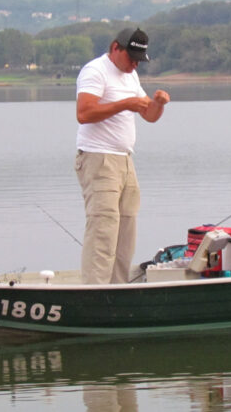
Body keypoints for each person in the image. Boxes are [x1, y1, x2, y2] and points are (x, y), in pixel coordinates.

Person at [75, 27, 170, 284]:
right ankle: (94, 292)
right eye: (131, 58)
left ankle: (116, 291)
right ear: (116, 48)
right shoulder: (95, 70)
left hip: (125, 161)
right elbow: (84, 113)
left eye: (139, 60)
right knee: (103, 230)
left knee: (126, 232)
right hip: (98, 159)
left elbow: (148, 115)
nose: (134, 64)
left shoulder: (131, 77)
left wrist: (158, 104)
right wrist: (125, 104)